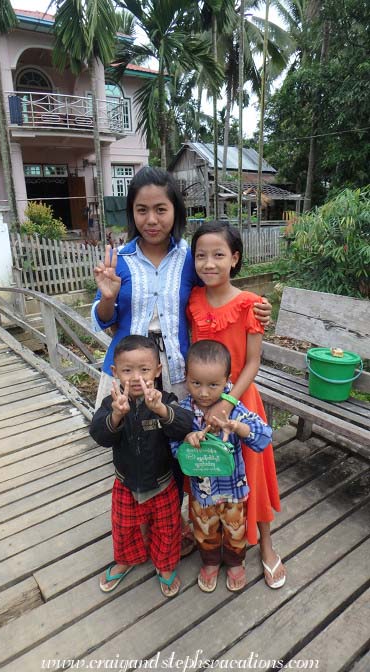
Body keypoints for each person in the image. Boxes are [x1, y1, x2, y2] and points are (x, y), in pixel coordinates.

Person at [91, 166, 272, 555]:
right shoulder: (119, 259)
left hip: (175, 371)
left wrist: (257, 309)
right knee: (131, 444)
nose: (151, 219)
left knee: (177, 446)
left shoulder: (188, 258)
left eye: (161, 209)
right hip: (129, 371)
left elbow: (217, 282)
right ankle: (137, 520)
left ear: (175, 211)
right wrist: (107, 296)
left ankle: (174, 525)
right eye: (141, 210)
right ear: (131, 212)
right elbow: (105, 320)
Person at [187, 221, 286, 589]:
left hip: (240, 401)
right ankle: (209, 540)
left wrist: (227, 403)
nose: (209, 263)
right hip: (201, 403)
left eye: (218, 255)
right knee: (206, 469)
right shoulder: (193, 300)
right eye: (201, 255)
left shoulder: (251, 305)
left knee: (253, 475)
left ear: (235, 258)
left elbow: (253, 362)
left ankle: (266, 545)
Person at [89, 335, 194, 597]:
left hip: (163, 483)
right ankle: (125, 559)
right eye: (127, 370)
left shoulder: (166, 400)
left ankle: (166, 566)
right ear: (115, 372)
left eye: (144, 369)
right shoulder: (111, 404)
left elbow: (185, 425)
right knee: (124, 527)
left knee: (167, 529)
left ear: (157, 370)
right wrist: (116, 415)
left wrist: (160, 409)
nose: (136, 377)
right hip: (126, 483)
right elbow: (99, 435)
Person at [171, 340, 272, 592]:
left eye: (213, 385)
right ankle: (210, 561)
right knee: (204, 529)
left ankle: (236, 562)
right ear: (186, 378)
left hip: (233, 491)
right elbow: (172, 446)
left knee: (235, 529)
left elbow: (264, 435)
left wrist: (239, 428)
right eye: (196, 383)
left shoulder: (234, 411)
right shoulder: (183, 412)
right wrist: (186, 440)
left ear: (227, 380)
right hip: (202, 493)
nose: (204, 392)